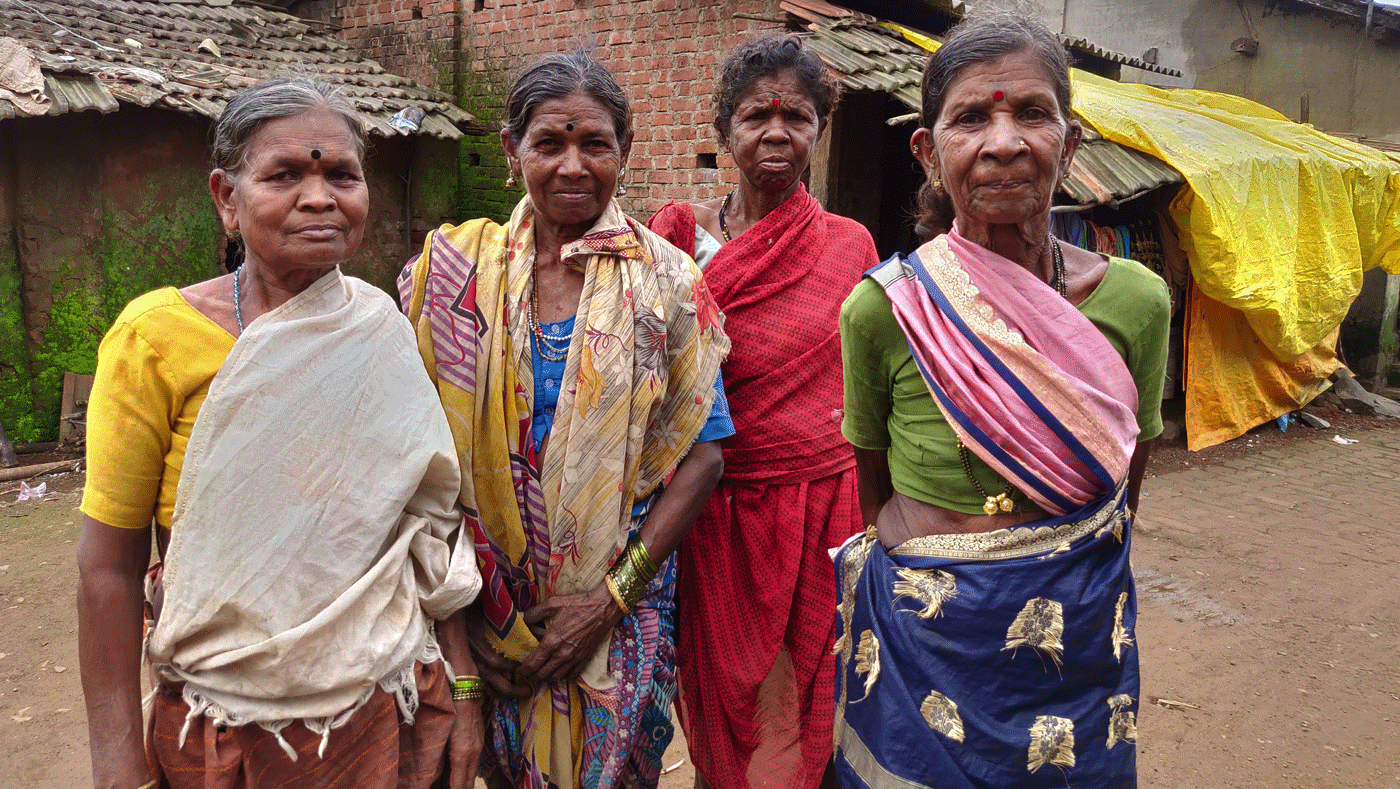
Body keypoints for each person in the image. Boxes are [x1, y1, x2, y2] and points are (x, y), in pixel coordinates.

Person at [76, 76, 484, 789]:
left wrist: (468, 687)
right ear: (226, 198)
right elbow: (107, 568)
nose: (320, 196)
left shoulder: (378, 328)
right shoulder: (155, 338)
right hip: (224, 720)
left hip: (388, 701)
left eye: (341, 174)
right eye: (285, 174)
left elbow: (427, 529)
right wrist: (117, 764)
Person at [833, 13, 1170, 789]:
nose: (1004, 141)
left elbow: (1123, 487)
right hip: (928, 639)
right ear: (928, 148)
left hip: (1076, 638)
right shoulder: (884, 309)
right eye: (972, 117)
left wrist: (1053, 564)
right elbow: (872, 490)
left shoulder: (1138, 303)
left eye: (1031, 113)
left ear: (1071, 141)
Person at [399, 50, 732, 789]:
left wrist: (606, 602)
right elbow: (417, 464)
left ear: (626, 150)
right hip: (484, 610)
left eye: (595, 144)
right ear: (515, 151)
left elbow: (703, 457)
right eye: (550, 143)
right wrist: (470, 617)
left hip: (624, 602)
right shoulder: (453, 275)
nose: (573, 165)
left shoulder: (668, 281)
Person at [647, 34, 878, 789]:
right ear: (724, 132)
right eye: (756, 116)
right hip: (709, 509)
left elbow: (867, 388)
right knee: (723, 700)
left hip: (819, 511)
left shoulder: (849, 245)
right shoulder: (676, 240)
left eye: (798, 116)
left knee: (806, 693)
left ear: (818, 129)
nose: (777, 131)